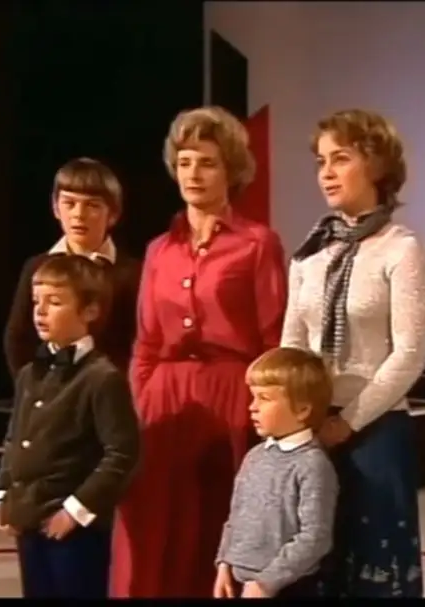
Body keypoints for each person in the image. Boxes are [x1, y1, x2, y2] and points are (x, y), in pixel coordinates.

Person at [111, 106, 289, 598]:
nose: (193, 173)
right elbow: (146, 342)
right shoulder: (158, 250)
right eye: (185, 162)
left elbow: (273, 340)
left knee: (218, 531)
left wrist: (265, 412)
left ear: (231, 171)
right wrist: (141, 403)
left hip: (231, 398)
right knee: (154, 532)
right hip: (164, 404)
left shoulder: (257, 243)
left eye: (207, 162)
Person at [281, 109, 425, 597]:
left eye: (340, 158)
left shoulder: (401, 248)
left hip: (377, 430)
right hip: (311, 427)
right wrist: (294, 415)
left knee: (375, 568)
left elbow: (409, 354)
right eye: (321, 161)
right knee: (316, 565)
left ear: (377, 165)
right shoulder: (310, 253)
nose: (326, 172)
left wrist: (347, 422)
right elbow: (292, 346)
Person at [0, 254, 141, 598]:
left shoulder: (101, 378)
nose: (41, 312)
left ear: (89, 311)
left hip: (75, 527)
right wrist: (4, 492)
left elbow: (122, 453)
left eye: (55, 302)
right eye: (36, 302)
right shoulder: (31, 373)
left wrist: (76, 511)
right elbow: (15, 437)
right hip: (29, 517)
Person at [214, 347, 339, 599]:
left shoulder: (312, 465)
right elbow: (235, 518)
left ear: (302, 410)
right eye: (253, 397)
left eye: (264, 398)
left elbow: (315, 537)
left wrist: (265, 583)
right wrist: (224, 563)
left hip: (287, 587)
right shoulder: (254, 456)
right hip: (240, 582)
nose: (252, 407)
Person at [4, 157, 141, 376]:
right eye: (69, 203)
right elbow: (18, 338)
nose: (79, 214)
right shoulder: (37, 266)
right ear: (56, 208)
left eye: (92, 205)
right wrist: (34, 386)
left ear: (113, 214)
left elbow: (136, 342)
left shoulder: (132, 274)